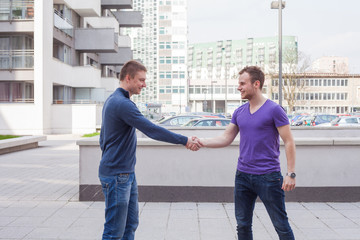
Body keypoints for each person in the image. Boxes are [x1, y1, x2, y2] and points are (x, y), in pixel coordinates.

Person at [99, 60, 200, 240]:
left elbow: (103, 139)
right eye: (141, 80)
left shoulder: (114, 100)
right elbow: (152, 130)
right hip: (117, 175)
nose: (144, 84)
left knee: (130, 225)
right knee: (114, 232)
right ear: (128, 78)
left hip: (125, 173)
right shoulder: (122, 104)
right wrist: (184, 140)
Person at [197, 66, 296, 240]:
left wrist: (291, 173)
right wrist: (201, 142)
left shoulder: (274, 110)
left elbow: (289, 141)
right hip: (242, 176)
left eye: (243, 83)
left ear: (256, 84)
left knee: (281, 225)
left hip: (269, 177)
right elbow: (226, 138)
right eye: (239, 83)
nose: (239, 87)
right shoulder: (239, 112)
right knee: (242, 226)